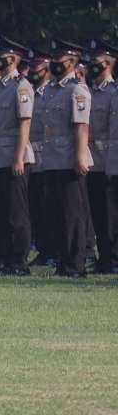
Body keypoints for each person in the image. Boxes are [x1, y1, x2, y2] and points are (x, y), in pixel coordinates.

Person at [37, 40, 93, 277]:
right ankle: (62, 260)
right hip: (51, 158)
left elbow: (81, 127)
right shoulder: (50, 90)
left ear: (71, 62)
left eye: (59, 58)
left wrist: (80, 156)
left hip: (70, 158)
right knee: (57, 212)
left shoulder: (77, 90)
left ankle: (75, 263)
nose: (54, 62)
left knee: (73, 214)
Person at [0, 36, 35, 275]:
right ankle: (6, 258)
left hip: (15, 155)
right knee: (1, 211)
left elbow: (24, 123)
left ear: (13, 59)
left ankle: (18, 260)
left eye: (2, 55)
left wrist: (18, 157)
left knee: (16, 212)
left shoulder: (21, 86)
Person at [87, 40, 118, 273]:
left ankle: (112, 258)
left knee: (110, 214)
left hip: (109, 162)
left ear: (107, 63)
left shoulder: (112, 92)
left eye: (95, 61)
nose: (90, 65)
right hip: (93, 163)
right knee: (98, 213)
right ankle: (104, 256)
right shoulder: (90, 92)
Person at [26, 48, 55, 267]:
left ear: (46, 70)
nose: (33, 71)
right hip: (32, 158)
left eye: (36, 68)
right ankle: (44, 249)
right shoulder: (30, 92)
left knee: (49, 206)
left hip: (48, 157)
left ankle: (52, 249)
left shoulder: (51, 93)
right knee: (34, 206)